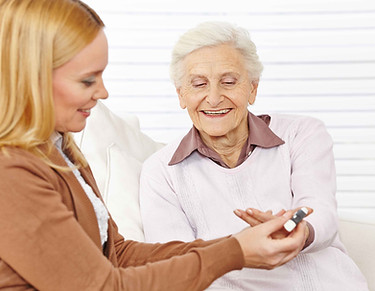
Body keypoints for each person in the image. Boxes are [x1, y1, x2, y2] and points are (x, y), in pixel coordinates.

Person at [0, 1, 310, 290]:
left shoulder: (59, 148)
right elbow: (104, 286)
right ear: (31, 79)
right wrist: (235, 252)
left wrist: (237, 244)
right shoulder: (11, 172)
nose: (103, 92)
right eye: (87, 80)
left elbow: (116, 253)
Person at [139, 21, 369, 290]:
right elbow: (179, 266)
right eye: (199, 84)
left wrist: (298, 228)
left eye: (228, 82)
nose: (213, 98)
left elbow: (319, 210)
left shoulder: (302, 134)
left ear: (253, 88)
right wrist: (238, 249)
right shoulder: (161, 172)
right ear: (181, 95)